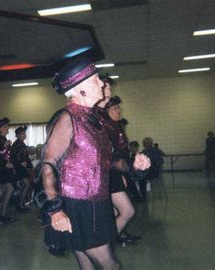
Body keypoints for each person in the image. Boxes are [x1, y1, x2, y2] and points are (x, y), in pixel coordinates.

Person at [40, 57, 118, 269]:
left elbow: (104, 161)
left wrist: (134, 164)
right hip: (76, 204)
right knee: (110, 265)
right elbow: (48, 165)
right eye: (95, 80)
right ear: (80, 89)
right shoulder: (67, 118)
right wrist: (55, 210)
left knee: (88, 265)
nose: (102, 83)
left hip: (97, 201)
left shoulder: (94, 118)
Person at [103, 92, 140, 245]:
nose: (118, 110)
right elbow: (108, 157)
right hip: (108, 175)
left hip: (115, 174)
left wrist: (123, 175)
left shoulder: (115, 126)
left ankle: (118, 238)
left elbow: (120, 154)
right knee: (127, 211)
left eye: (118, 108)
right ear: (106, 112)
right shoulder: (106, 129)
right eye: (114, 108)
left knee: (117, 212)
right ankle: (106, 244)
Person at [11, 126, 33, 212]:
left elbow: (25, 157)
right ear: (18, 135)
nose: (25, 135)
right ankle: (20, 205)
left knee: (24, 186)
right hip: (19, 168)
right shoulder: (17, 144)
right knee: (26, 185)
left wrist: (29, 166)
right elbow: (13, 158)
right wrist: (20, 163)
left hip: (21, 168)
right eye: (23, 133)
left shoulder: (21, 144)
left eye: (24, 133)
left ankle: (21, 204)